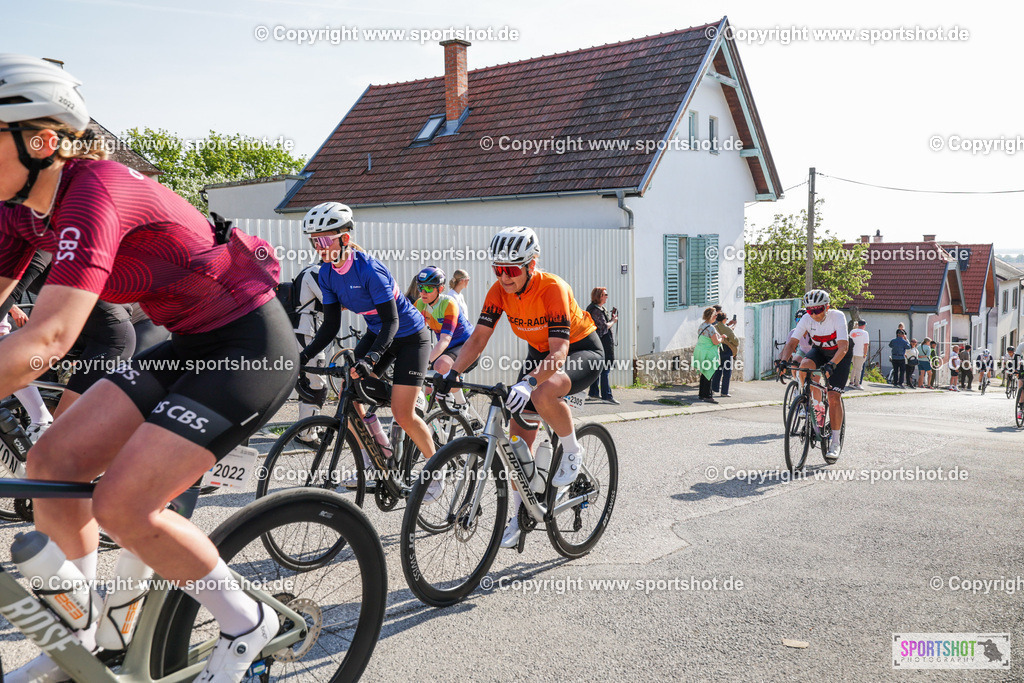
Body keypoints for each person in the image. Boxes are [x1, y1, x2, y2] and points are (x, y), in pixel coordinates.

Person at [0, 55, 296, 682]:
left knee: (123, 505)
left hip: (250, 340)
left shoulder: (96, 189)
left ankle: (247, 623)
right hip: (185, 338)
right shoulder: (17, 210)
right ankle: (78, 638)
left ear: (41, 141)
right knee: (51, 461)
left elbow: (48, 337)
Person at [432, 226, 603, 549]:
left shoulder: (553, 288)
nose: (504, 277)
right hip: (539, 354)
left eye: (511, 270)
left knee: (540, 393)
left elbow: (559, 352)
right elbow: (478, 339)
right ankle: (518, 512)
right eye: (498, 270)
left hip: (580, 350)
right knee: (514, 441)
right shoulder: (498, 291)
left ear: (531, 265)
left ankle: (572, 450)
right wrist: (451, 372)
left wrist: (530, 382)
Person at [297, 202, 438, 495]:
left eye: (324, 239)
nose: (318, 247)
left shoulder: (370, 270)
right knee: (349, 398)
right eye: (314, 241)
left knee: (403, 414)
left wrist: (371, 359)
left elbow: (391, 321)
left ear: (345, 238)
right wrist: (303, 356)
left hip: (409, 336)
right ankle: (375, 457)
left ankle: (436, 472)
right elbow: (330, 326)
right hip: (379, 333)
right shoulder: (326, 273)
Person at [778, 289, 850, 459]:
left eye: (818, 310)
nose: (815, 314)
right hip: (820, 351)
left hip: (840, 354)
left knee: (833, 397)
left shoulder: (837, 316)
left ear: (827, 307)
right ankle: (809, 401)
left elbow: (843, 347)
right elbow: (792, 342)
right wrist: (782, 361)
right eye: (811, 310)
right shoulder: (806, 318)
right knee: (804, 366)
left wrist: (832, 365)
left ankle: (834, 442)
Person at [413, 265, 474, 388]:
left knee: (441, 365)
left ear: (440, 289)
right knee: (429, 383)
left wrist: (425, 361)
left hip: (467, 345)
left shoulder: (449, 303)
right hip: (448, 348)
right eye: (420, 287)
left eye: (428, 288)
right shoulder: (420, 304)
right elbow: (412, 333)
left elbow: (445, 339)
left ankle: (460, 404)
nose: (423, 292)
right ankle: (440, 403)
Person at [291, 263, 326, 442]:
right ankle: (307, 434)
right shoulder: (316, 272)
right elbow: (330, 300)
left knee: (306, 383)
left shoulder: (309, 270)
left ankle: (306, 430)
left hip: (303, 331)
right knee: (318, 384)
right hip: (306, 331)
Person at [586, 286, 619, 404]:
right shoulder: (595, 310)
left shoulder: (596, 308)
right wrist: (613, 321)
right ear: (599, 296)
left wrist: (610, 320)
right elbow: (604, 327)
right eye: (605, 294)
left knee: (598, 368)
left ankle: (594, 393)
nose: (607, 297)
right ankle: (607, 396)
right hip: (602, 343)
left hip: (596, 342)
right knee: (605, 369)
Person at [695, 307, 723, 403]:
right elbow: (715, 342)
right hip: (709, 353)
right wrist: (722, 339)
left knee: (704, 373)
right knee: (709, 374)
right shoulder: (711, 328)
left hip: (701, 352)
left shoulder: (702, 325)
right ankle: (707, 395)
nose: (717, 316)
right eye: (715, 314)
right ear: (711, 316)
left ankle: (701, 394)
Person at [711, 310, 738, 397]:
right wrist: (733, 326)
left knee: (718, 370)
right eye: (726, 318)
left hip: (717, 349)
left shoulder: (714, 327)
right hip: (727, 350)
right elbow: (736, 341)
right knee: (727, 371)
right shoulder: (727, 329)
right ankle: (724, 392)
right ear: (724, 320)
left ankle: (714, 389)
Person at [847, 319, 869, 390]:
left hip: (852, 352)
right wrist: (865, 354)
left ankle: (851, 382)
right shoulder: (865, 333)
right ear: (863, 325)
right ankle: (857, 383)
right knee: (859, 369)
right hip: (860, 353)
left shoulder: (852, 331)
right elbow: (866, 345)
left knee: (854, 367)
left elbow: (849, 341)